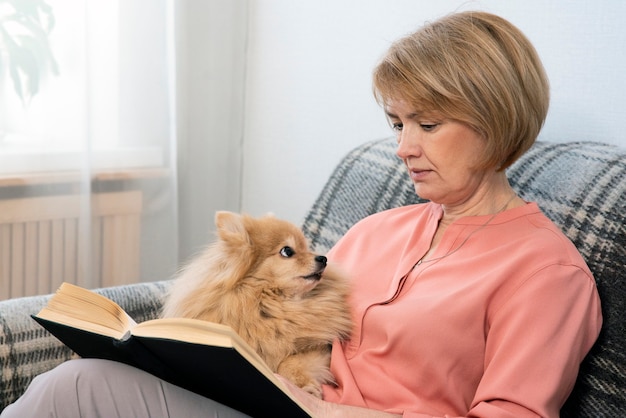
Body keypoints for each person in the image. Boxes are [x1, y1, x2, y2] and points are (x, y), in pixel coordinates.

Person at [2, 10, 601, 418]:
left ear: (496, 118)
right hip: (272, 403)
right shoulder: (378, 231)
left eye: (427, 124)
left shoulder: (546, 273)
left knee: (78, 389)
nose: (402, 148)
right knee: (84, 379)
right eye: (397, 124)